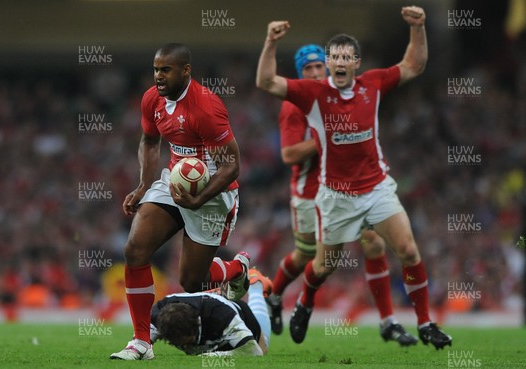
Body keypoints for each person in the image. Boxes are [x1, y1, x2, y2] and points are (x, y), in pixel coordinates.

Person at [256, 7, 453, 350]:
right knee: (322, 265)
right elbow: (266, 82)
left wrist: (418, 27)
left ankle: (425, 323)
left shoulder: (373, 84)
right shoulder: (312, 94)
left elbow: (414, 65)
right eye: (334, 58)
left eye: (347, 57)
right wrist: (270, 43)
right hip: (335, 196)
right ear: (330, 64)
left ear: (357, 63)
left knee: (407, 249)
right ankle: (305, 299)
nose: (340, 63)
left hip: (377, 188)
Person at [267, 44, 418, 346]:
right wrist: (330, 137)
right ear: (301, 74)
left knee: (373, 244)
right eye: (307, 69)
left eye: (317, 67)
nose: (314, 72)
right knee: (307, 256)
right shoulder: (295, 105)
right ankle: (274, 296)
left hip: (349, 189)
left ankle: (388, 320)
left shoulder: (341, 95)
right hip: (310, 193)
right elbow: (288, 154)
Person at [110, 43, 250, 361]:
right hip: (173, 181)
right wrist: (145, 184)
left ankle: (237, 268)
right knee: (135, 249)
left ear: (186, 70)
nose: (159, 76)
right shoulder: (152, 99)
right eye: (156, 69)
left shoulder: (206, 108)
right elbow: (148, 140)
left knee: (191, 280)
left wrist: (198, 198)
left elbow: (231, 166)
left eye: (166, 69)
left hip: (214, 194)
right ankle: (142, 342)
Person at [150, 268, 272, 356]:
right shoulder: (159, 314)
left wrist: (215, 356)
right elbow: (139, 344)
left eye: (187, 342)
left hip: (238, 313)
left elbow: (254, 351)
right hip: (208, 300)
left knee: (263, 348)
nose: (186, 348)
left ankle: (256, 286)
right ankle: (218, 292)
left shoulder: (222, 317)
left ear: (196, 324)